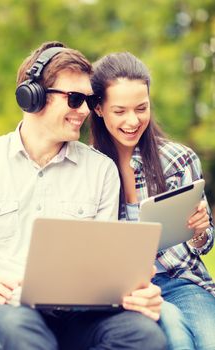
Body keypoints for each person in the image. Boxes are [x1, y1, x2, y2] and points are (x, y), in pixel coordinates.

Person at [0, 41, 167, 350]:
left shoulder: (101, 171)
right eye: (74, 99)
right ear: (33, 98)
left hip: (76, 313)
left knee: (142, 335)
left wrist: (134, 289)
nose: (84, 110)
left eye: (88, 99)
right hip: (4, 310)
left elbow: (103, 267)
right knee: (22, 332)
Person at [90, 51, 215, 350]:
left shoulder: (178, 160)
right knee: (175, 334)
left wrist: (200, 229)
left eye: (141, 108)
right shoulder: (89, 168)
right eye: (120, 111)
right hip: (126, 290)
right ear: (98, 108)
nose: (133, 121)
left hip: (182, 281)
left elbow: (206, 244)